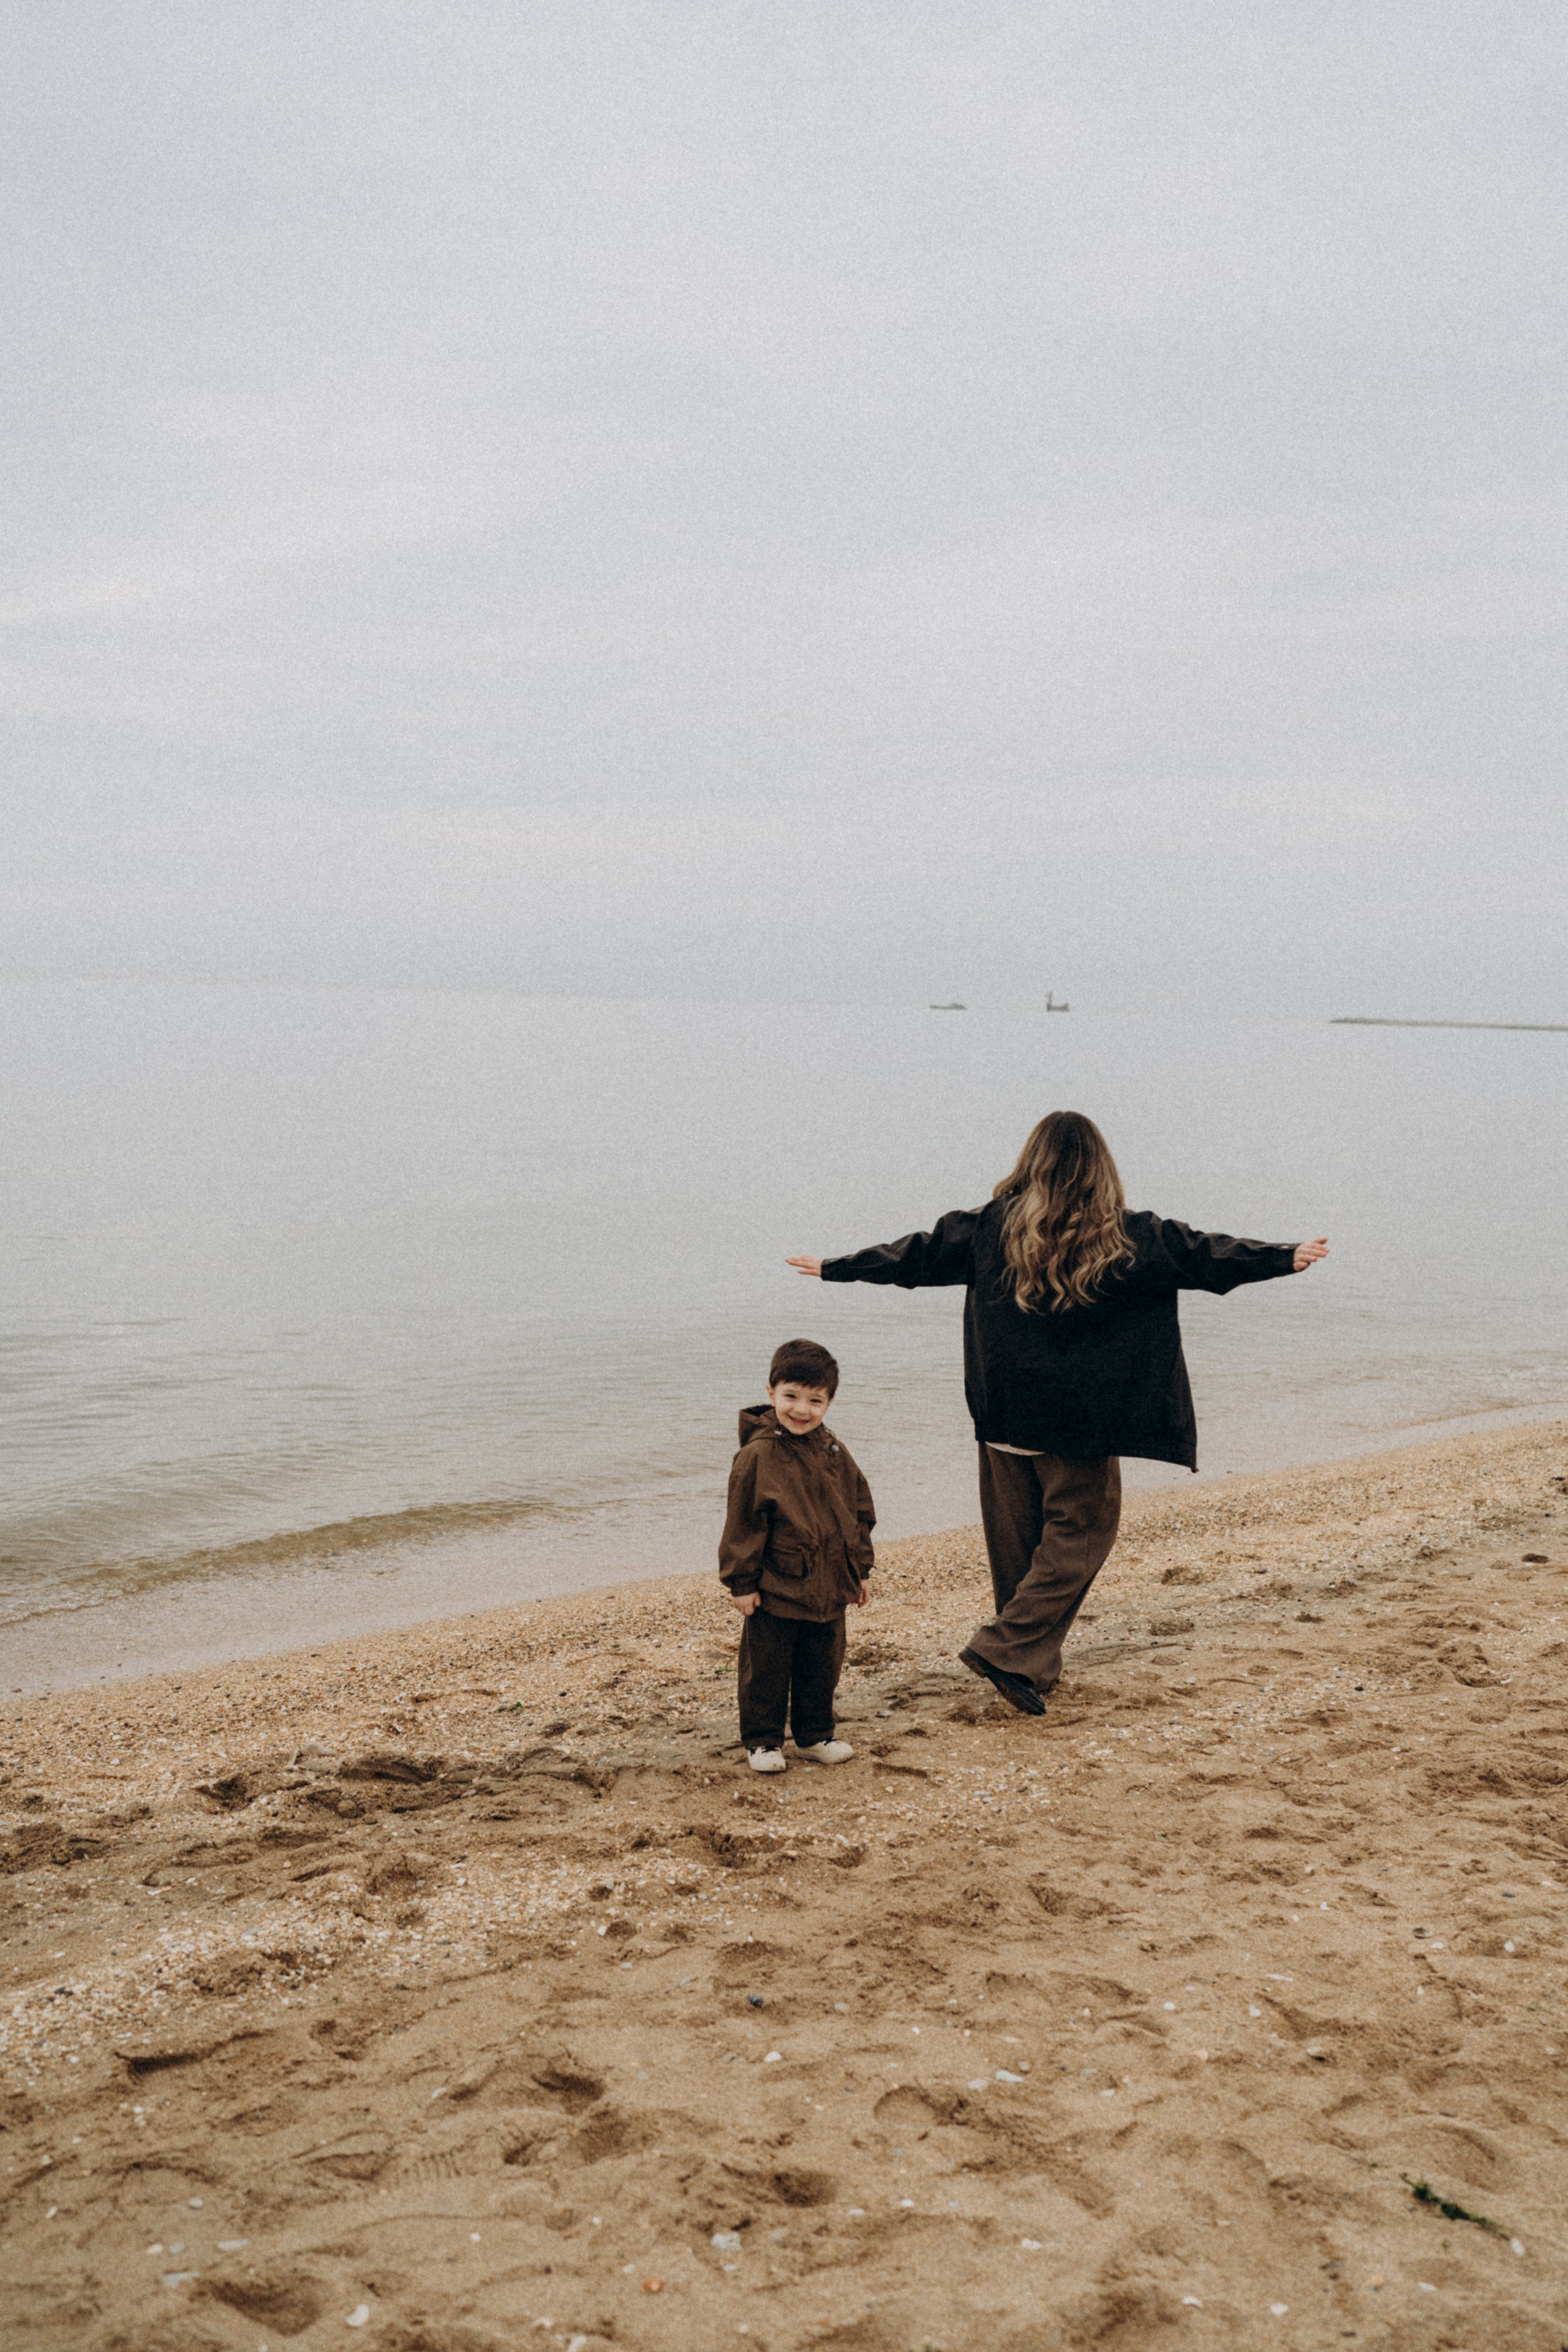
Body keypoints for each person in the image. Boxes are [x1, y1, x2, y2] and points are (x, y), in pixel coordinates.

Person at [786, 1110, 1328, 1717]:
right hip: (1079, 1425)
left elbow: (914, 1257)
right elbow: (1207, 1255)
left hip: (1004, 1415)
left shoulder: (988, 1227)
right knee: (1081, 1534)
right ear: (1101, 1168)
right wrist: (1282, 1256)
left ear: (1031, 1161)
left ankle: (1029, 1666)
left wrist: (837, 1267)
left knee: (1017, 1548)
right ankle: (1004, 1650)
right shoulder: (1130, 1235)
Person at [718, 1337, 875, 1773]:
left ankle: (814, 1735)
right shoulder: (757, 1456)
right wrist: (742, 1584)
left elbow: (859, 1512)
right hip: (777, 1587)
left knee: (821, 1666)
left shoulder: (834, 1451)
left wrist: (860, 1571)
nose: (801, 1410)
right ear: (772, 1393)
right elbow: (743, 1525)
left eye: (815, 1401)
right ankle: (763, 1741)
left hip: (830, 1585)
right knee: (766, 1669)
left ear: (829, 1403)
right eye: (791, 1397)